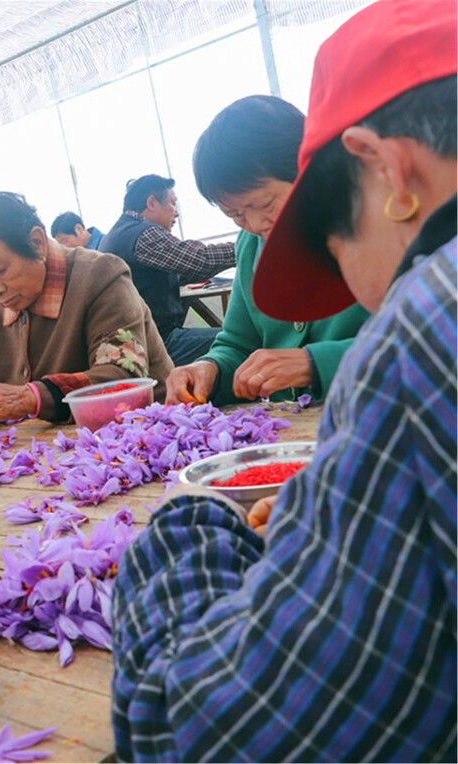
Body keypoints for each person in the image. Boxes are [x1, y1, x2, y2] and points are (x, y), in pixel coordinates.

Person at [113, 2, 456, 760]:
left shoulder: (425, 328)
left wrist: (190, 529)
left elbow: (200, 732)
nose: (354, 284)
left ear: (387, 167)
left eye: (328, 231)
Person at [163, 95, 370, 405]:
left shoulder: (377, 228)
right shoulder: (251, 245)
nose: (256, 223)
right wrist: (210, 368)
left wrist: (317, 363)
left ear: (306, 167)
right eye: (235, 214)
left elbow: (430, 338)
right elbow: (238, 343)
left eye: (263, 204)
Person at [0, 192, 173, 426]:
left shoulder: (101, 275)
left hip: (142, 437)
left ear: (37, 243)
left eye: (0, 270)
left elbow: (123, 377)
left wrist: (33, 398)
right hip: (49, 449)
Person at [99, 174, 236, 366]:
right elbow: (200, 259)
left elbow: (187, 271)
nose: (176, 213)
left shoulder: (118, 234)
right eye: (173, 203)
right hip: (156, 344)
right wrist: (246, 246)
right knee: (240, 342)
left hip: (133, 345)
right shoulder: (145, 234)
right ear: (152, 202)